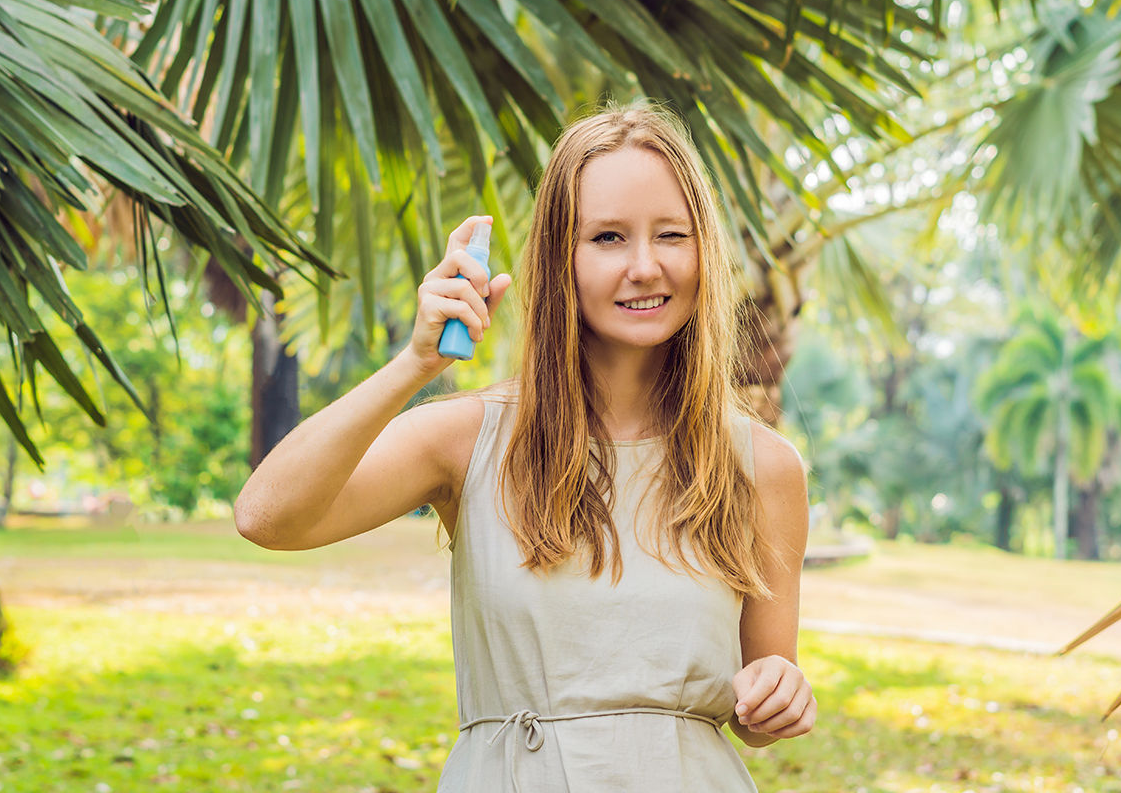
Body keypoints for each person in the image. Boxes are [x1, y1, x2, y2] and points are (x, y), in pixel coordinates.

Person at [235, 104, 815, 792]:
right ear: (559, 257)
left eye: (671, 235)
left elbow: (756, 706)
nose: (645, 265)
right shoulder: (468, 437)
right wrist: (415, 365)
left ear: (703, 251)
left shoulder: (763, 467)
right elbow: (268, 516)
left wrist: (779, 689)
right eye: (606, 237)